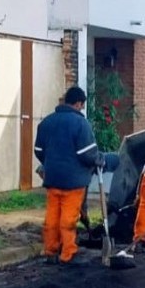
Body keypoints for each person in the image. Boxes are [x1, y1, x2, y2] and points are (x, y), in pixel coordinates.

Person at [34, 86, 116, 266]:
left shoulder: (46, 122)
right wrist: (99, 160)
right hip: (74, 181)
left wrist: (52, 162)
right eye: (82, 105)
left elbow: (39, 150)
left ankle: (50, 249)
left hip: (53, 179)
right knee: (68, 218)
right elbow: (87, 153)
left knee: (52, 216)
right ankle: (67, 252)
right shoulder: (80, 124)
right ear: (78, 103)